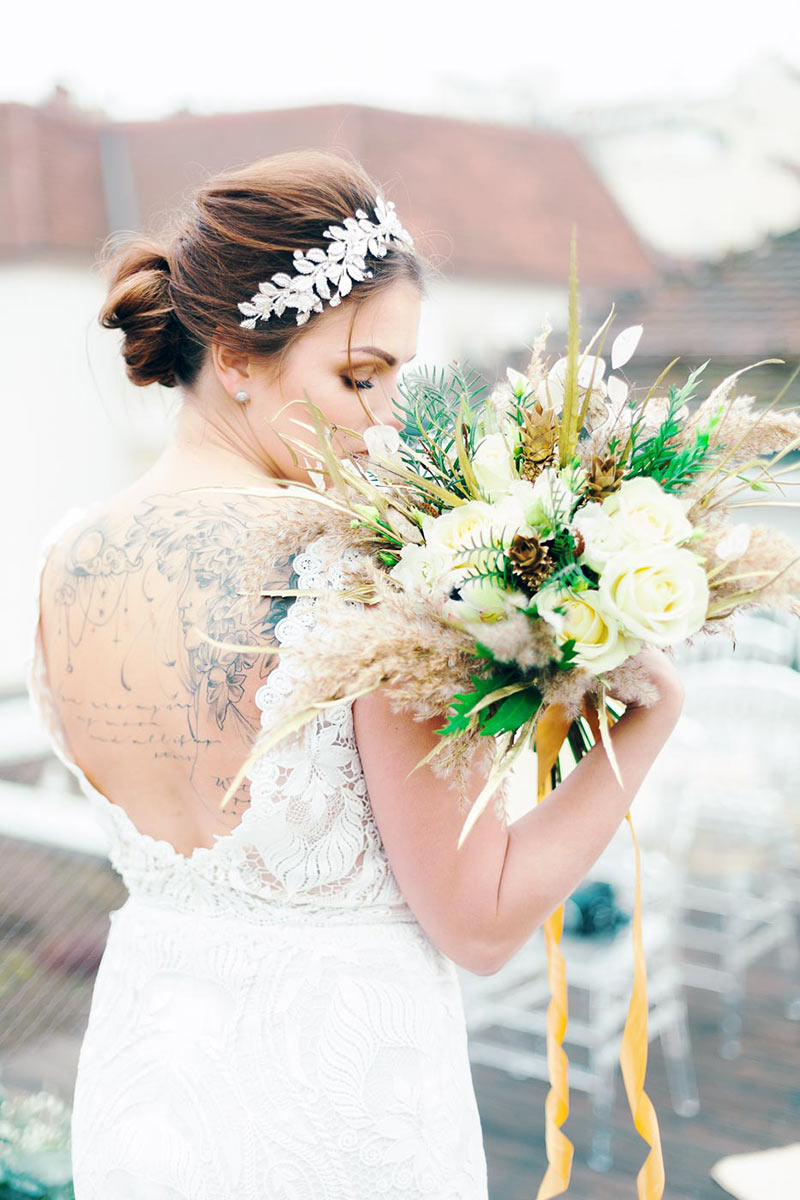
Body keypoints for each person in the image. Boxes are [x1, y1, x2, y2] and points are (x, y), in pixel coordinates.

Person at [28, 147, 685, 1199]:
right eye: (357, 376)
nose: (383, 420)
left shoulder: (66, 556)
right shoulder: (365, 567)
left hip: (150, 1083)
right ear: (237, 357)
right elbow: (479, 918)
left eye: (392, 378)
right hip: (339, 1102)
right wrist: (648, 722)